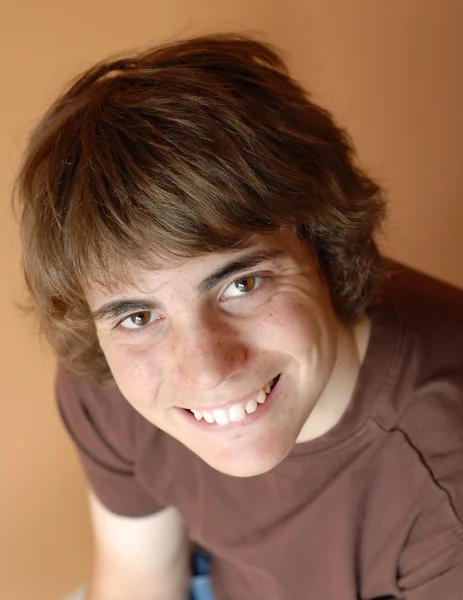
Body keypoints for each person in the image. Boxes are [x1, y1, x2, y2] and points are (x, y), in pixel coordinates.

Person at [16, 33, 463, 600]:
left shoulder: (445, 481)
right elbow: (140, 578)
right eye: (136, 315)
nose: (205, 371)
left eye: (241, 284)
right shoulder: (110, 375)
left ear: (323, 248)